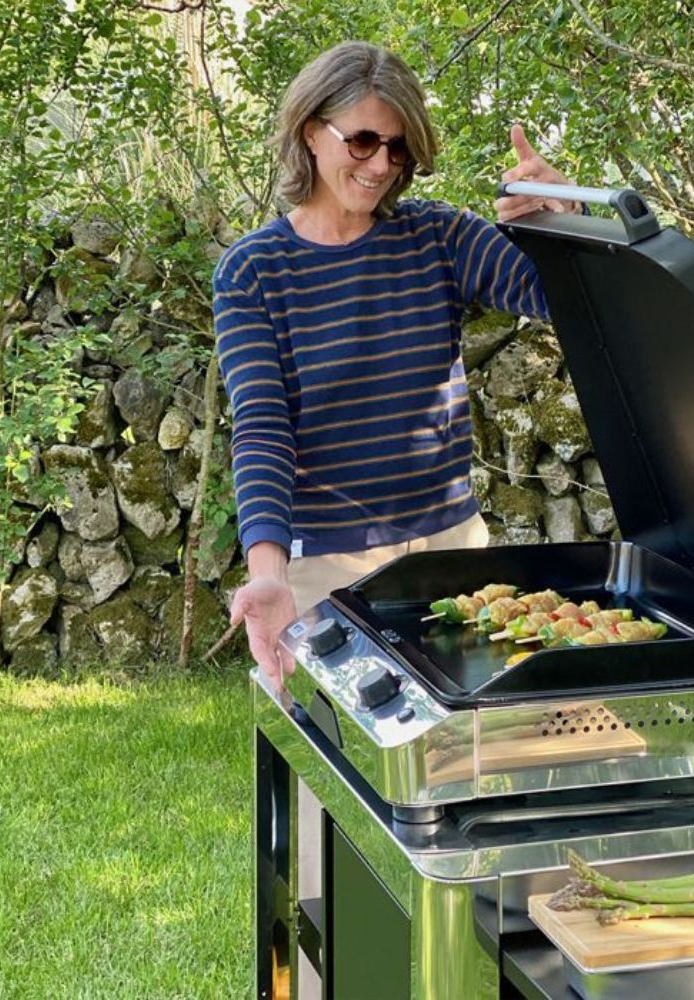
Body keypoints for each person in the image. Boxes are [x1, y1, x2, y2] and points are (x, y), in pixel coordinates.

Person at [212, 40, 581, 693]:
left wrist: (564, 227)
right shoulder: (253, 273)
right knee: (333, 782)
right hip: (327, 572)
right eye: (362, 141)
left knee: (472, 772)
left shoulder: (441, 238)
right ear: (310, 132)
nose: (382, 164)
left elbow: (565, 303)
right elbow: (263, 428)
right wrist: (268, 573)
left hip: (454, 555)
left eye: (398, 147)